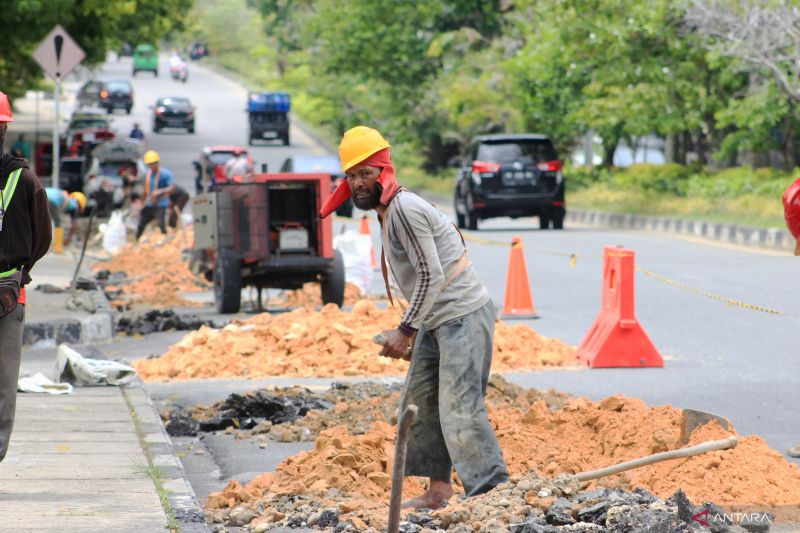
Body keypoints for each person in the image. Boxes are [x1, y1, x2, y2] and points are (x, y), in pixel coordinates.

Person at [319, 126, 509, 509]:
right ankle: (439, 491)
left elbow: (431, 274)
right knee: (420, 403)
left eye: (365, 174)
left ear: (383, 172)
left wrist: (404, 330)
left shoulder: (404, 209)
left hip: (462, 316)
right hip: (436, 321)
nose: (357, 183)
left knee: (460, 408)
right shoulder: (386, 211)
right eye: (351, 175)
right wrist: (415, 327)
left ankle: (494, 494)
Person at [0, 91, 52, 465]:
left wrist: (18, 274)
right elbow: (42, 239)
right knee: (3, 384)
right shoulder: (28, 180)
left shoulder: (24, 180)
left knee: (3, 385)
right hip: (8, 292)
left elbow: (41, 239)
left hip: (7, 294)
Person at [136, 150, 175, 240]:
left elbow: (172, 187)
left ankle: (165, 241)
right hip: (150, 204)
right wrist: (142, 202)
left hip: (161, 204)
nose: (152, 166)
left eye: (153, 163)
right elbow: (146, 190)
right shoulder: (148, 174)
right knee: (141, 223)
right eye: (150, 164)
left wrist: (160, 191)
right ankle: (137, 239)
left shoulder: (165, 174)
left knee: (161, 223)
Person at [44, 187, 86, 252]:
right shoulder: (75, 205)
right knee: (59, 223)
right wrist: (68, 239)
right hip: (52, 201)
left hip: (41, 194)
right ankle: (58, 248)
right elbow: (74, 226)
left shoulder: (66, 197)